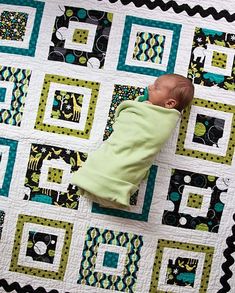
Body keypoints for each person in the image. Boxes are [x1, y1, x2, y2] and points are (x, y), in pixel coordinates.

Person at [71, 74, 194, 208]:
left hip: (129, 163)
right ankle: (107, 186)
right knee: (112, 155)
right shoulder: (148, 110)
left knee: (121, 161)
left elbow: (135, 125)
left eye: (156, 88)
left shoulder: (165, 121)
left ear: (170, 103)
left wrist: (140, 106)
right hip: (119, 153)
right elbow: (127, 130)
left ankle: (101, 182)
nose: (150, 87)